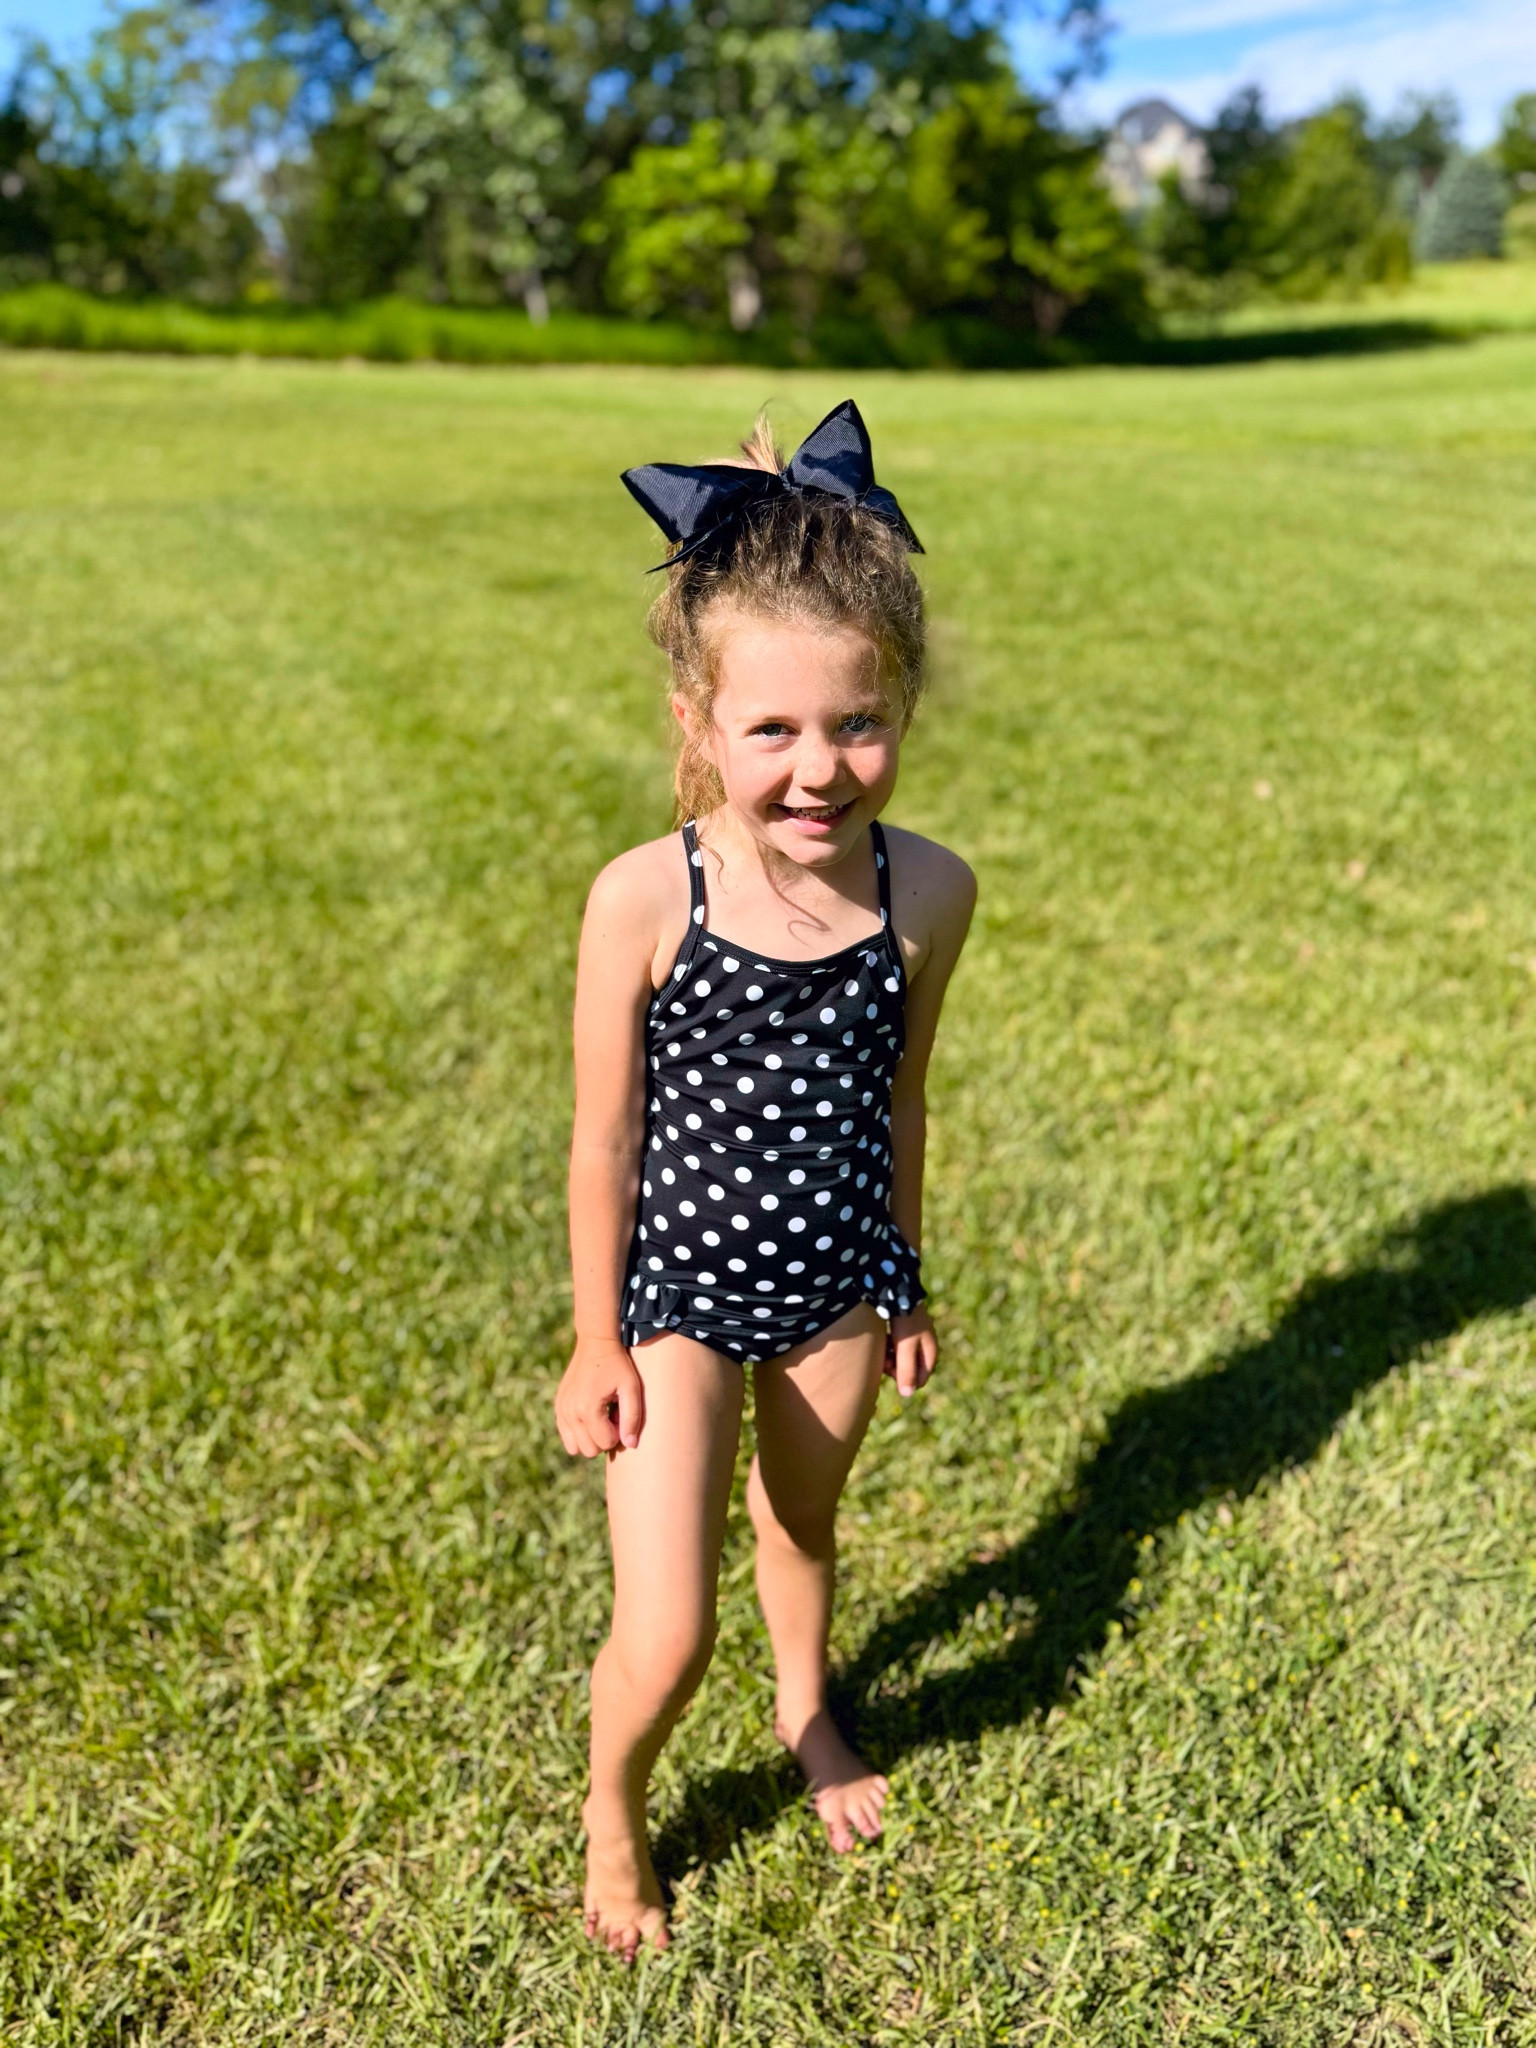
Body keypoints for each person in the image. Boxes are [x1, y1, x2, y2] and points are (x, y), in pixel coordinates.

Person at [555, 400, 976, 1960]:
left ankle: (810, 1712)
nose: (819, 770)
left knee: (805, 1525)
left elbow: (905, 1095)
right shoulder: (644, 898)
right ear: (697, 720)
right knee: (667, 1627)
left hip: (839, 1287)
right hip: (672, 1296)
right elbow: (603, 1139)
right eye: (773, 732)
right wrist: (598, 1337)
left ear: (904, 706)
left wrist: (905, 1276)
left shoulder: (928, 891)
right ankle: (616, 1811)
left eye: (856, 725)